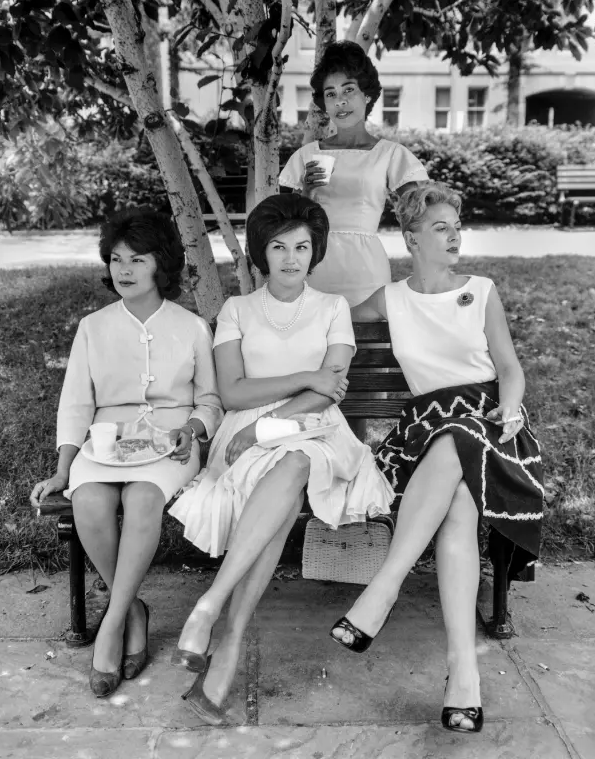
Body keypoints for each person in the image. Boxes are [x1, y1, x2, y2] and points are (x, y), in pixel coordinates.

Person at [169, 193, 395, 725]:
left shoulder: (333, 307)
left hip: (314, 430)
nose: (291, 258)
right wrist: (302, 377)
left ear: (314, 252)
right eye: (278, 246)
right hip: (244, 434)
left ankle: (213, 604)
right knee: (285, 482)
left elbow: (331, 390)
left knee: (294, 462)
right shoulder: (237, 310)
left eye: (302, 246)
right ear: (260, 253)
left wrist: (272, 425)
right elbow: (232, 390)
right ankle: (227, 643)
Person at [328, 182, 544, 734]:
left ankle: (384, 589)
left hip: (492, 426)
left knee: (460, 442)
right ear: (411, 238)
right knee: (457, 502)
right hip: (423, 432)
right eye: (441, 227)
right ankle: (461, 671)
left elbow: (510, 369)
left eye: (457, 225)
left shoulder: (482, 289)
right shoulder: (388, 299)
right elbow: (325, 325)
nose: (455, 236)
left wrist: (513, 409)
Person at [30, 209, 223, 698]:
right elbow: (75, 403)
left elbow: (210, 400)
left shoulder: (192, 326)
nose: (124, 270)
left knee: (141, 499)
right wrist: (62, 469)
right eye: (116, 259)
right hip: (104, 444)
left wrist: (196, 428)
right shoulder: (92, 327)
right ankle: (132, 609)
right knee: (88, 499)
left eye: (137, 259)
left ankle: (111, 626)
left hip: (170, 443)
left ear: (161, 265)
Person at [279, 40, 429, 308]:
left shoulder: (390, 154)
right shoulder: (304, 156)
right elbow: (281, 228)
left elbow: (422, 217)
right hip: (312, 268)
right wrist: (306, 195)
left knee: (368, 346)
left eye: (349, 90)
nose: (341, 101)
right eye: (331, 94)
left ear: (367, 95)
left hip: (366, 273)